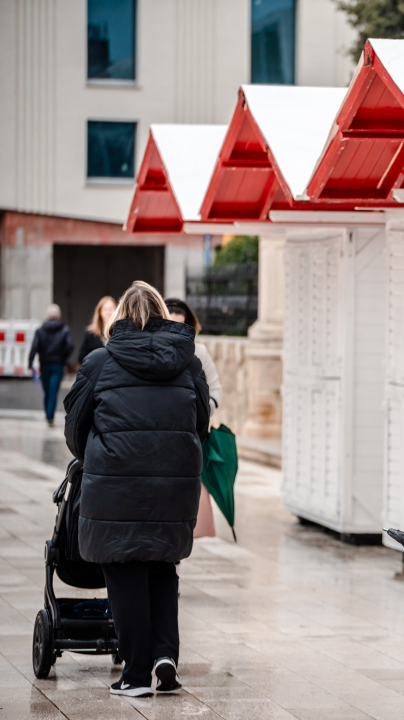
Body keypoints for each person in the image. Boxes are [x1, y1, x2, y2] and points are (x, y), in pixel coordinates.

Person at [64, 281, 209, 698]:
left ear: (120, 317)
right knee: (163, 566)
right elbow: (200, 425)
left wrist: (98, 453)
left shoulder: (99, 362)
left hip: (115, 486)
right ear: (162, 313)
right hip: (174, 486)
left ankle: (135, 674)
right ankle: (165, 657)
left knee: (124, 568)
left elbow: (75, 429)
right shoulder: (190, 363)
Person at [165, 298, 223, 539]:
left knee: (184, 511)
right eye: (170, 324)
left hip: (189, 440)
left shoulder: (199, 352)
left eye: (182, 325)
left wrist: (199, 412)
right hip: (159, 439)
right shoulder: (148, 349)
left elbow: (216, 390)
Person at [27, 303, 74, 427]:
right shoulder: (64, 329)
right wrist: (63, 358)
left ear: (48, 316)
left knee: (47, 391)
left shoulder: (40, 330)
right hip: (58, 365)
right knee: (53, 391)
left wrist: (30, 362)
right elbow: (70, 346)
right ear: (59, 315)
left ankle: (48, 415)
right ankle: (50, 417)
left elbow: (34, 347)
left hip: (44, 365)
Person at [78, 296, 116, 364]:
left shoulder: (121, 331)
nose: (108, 312)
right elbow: (82, 357)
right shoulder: (91, 333)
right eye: (105, 309)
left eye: (111, 309)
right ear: (100, 312)